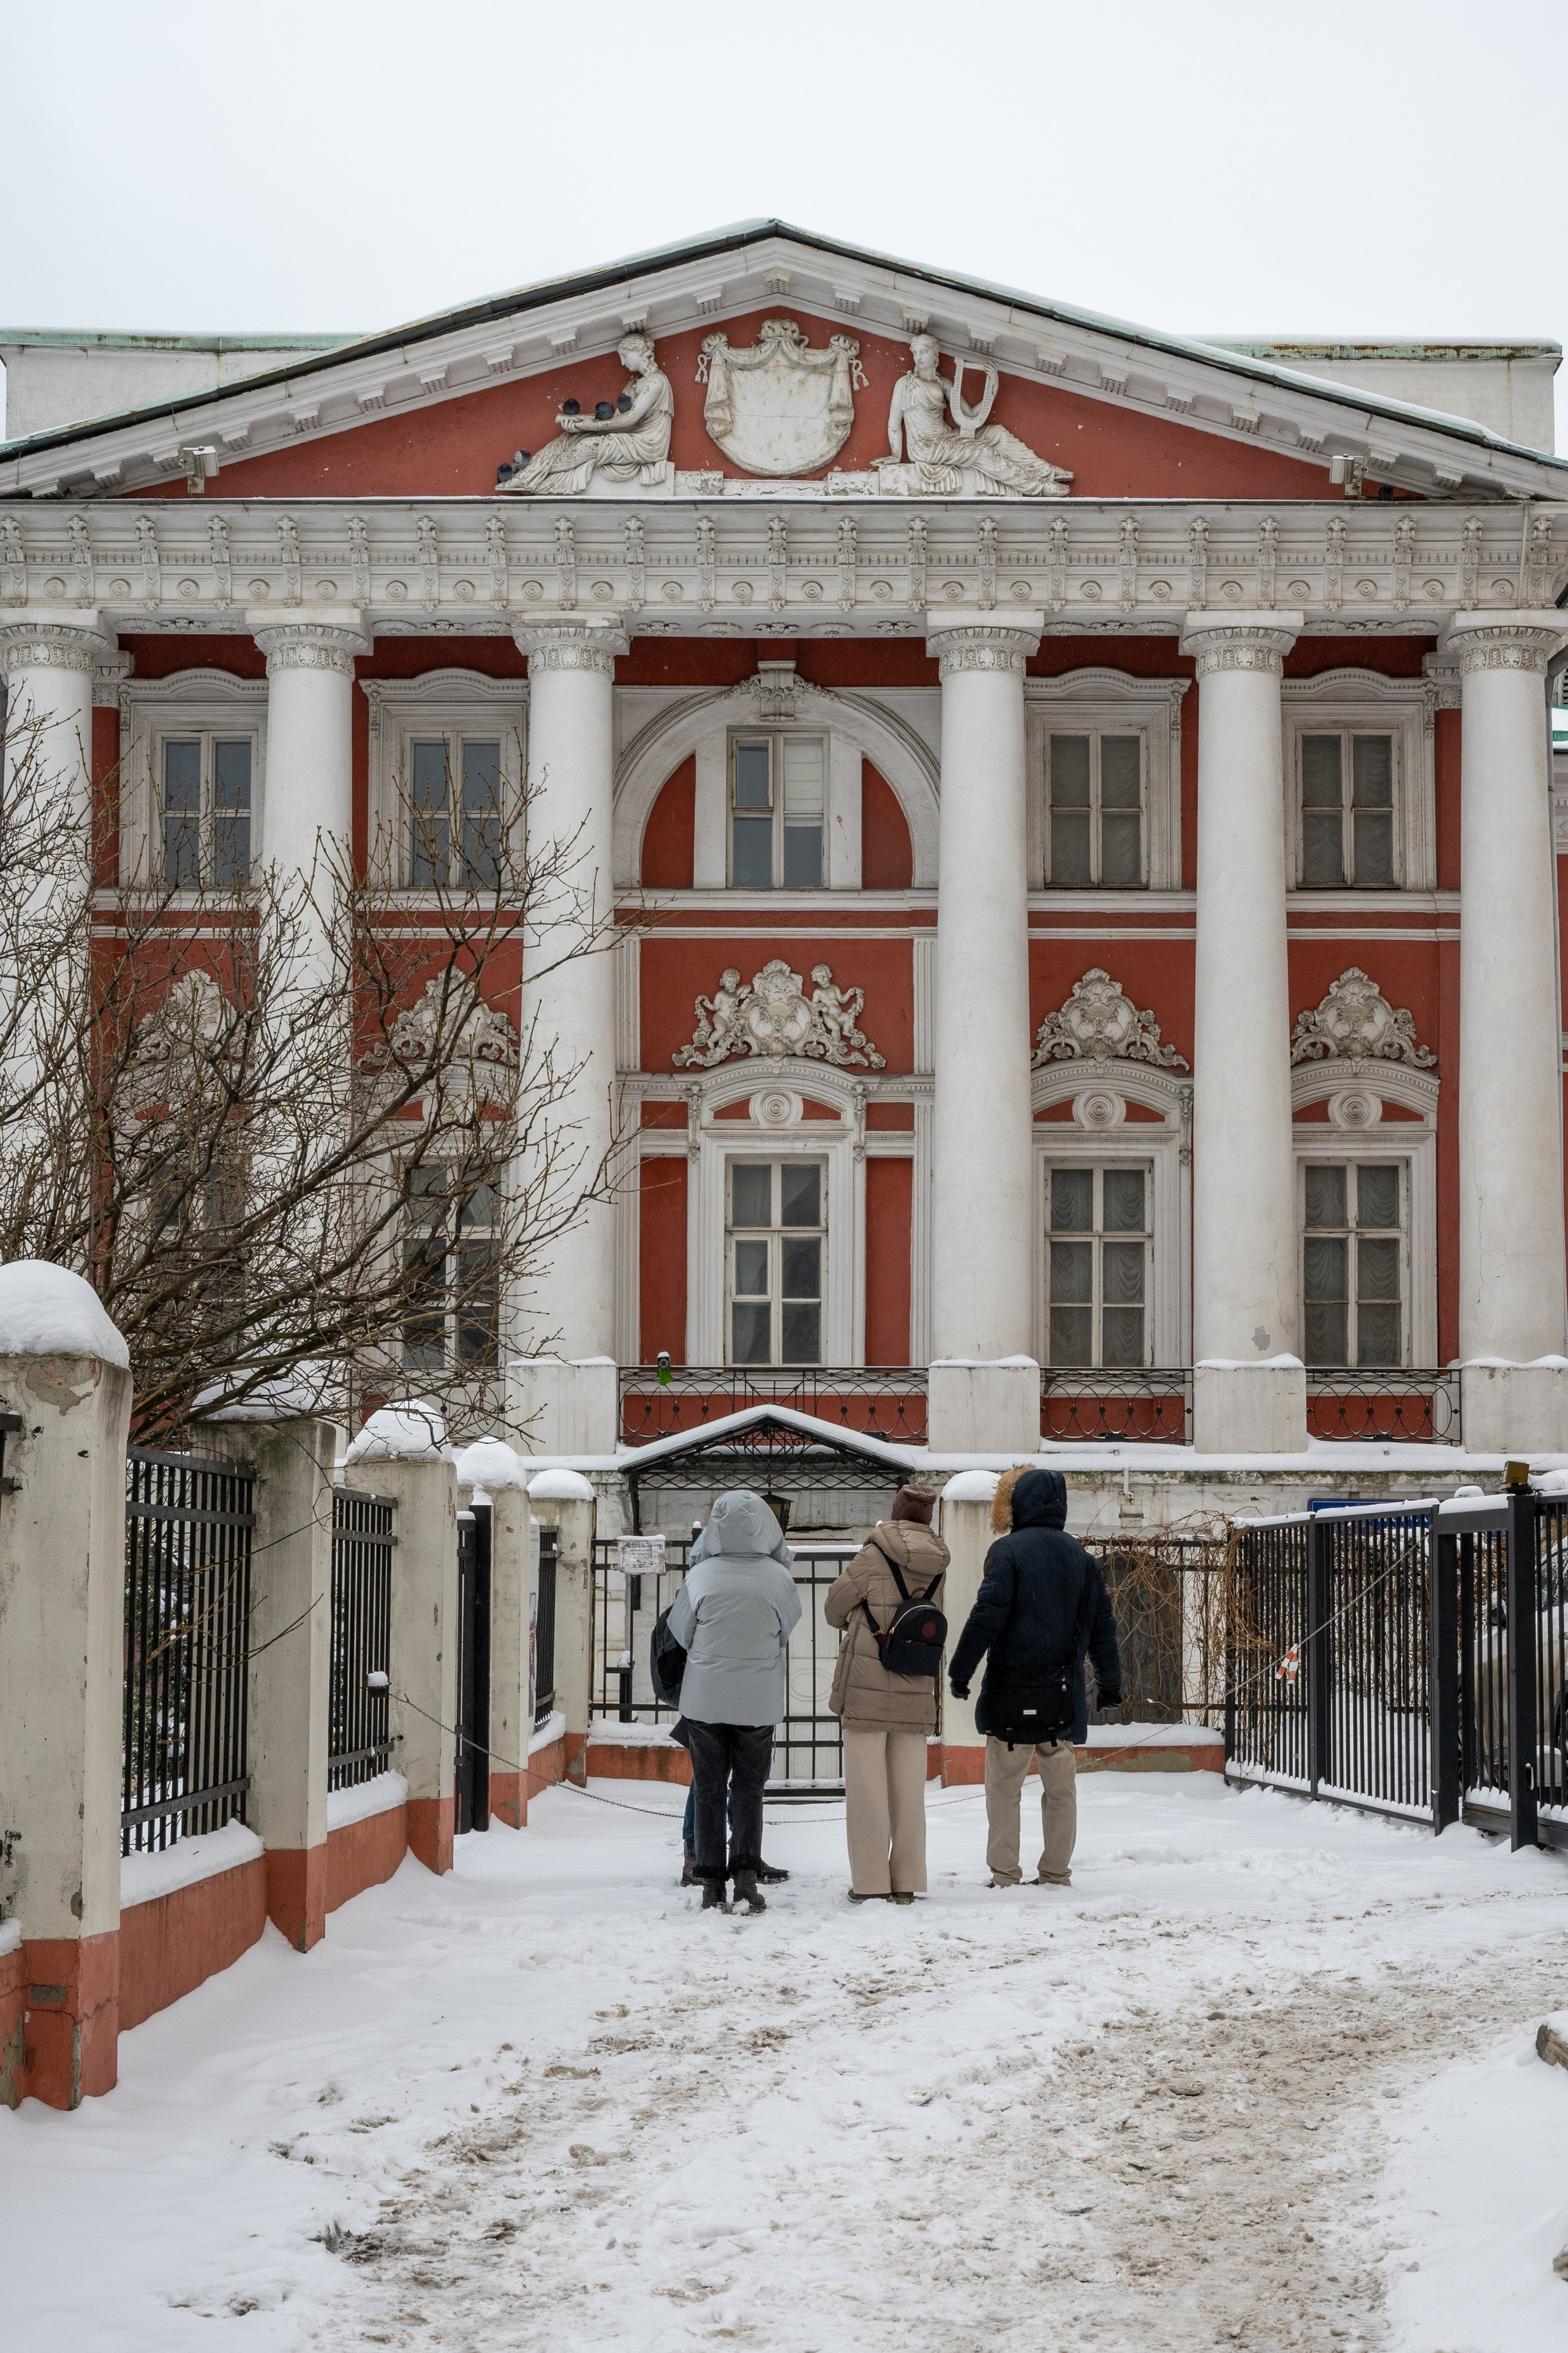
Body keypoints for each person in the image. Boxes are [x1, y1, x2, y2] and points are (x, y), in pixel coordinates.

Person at [948, 1467, 1121, 1889]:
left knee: (1003, 1788)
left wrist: (961, 1671)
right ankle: (1056, 1872)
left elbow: (986, 1618)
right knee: (1061, 1791)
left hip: (1010, 1692)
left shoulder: (1006, 1552)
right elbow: (1103, 1628)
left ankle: (1005, 1874)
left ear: (1019, 1504)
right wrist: (1111, 1683)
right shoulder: (1083, 1559)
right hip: (1062, 1695)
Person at [666, 1489, 801, 1914]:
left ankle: (711, 1884)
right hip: (757, 1702)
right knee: (749, 1790)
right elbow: (786, 1631)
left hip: (704, 1700)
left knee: (708, 1788)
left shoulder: (700, 1576)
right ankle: (746, 1878)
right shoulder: (779, 1578)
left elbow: (681, 1632)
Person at [825, 1484, 948, 1905]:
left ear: (895, 1512)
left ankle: (871, 1883)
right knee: (910, 1794)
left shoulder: (874, 1553)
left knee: (868, 1793)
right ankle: (907, 1880)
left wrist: (863, 1619)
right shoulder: (939, 1562)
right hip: (917, 1684)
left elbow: (833, 1607)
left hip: (867, 1687)